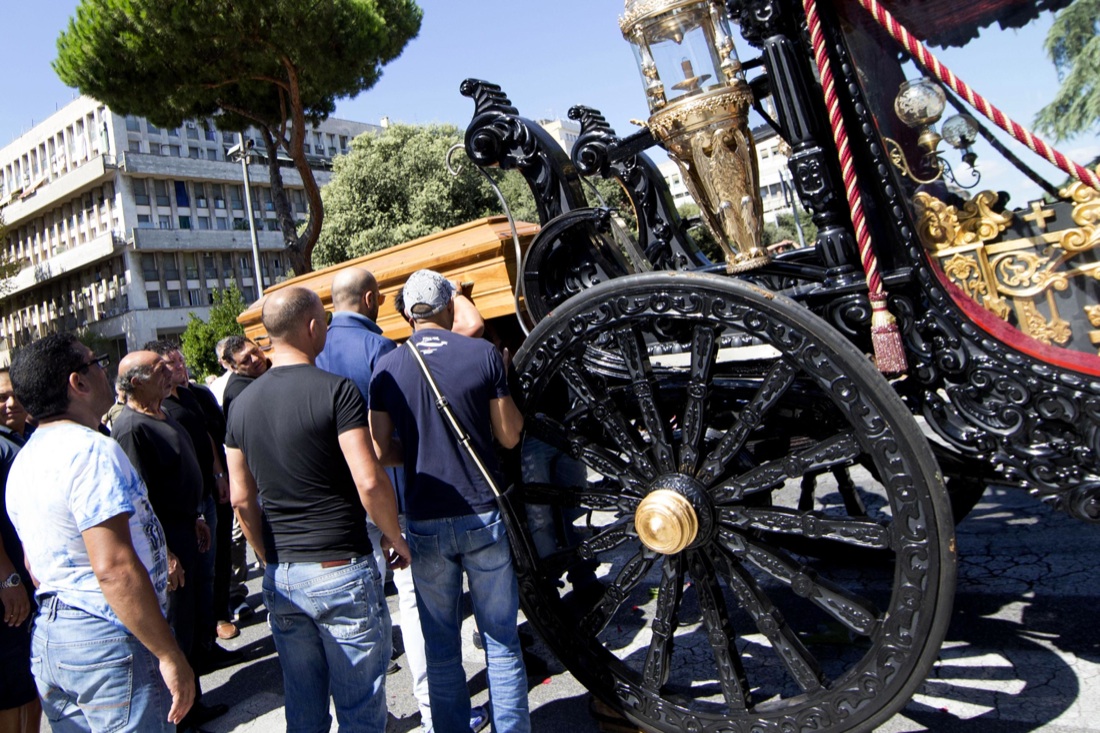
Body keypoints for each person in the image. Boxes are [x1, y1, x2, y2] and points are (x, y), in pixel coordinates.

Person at [227, 286, 411, 733]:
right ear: (312, 328)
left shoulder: (240, 405)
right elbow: (369, 479)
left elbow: (240, 498)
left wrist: (268, 558)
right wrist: (396, 536)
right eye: (323, 322)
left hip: (284, 573)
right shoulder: (337, 391)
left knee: (304, 708)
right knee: (360, 709)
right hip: (339, 565)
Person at [6, 334, 194, 731]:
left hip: (55, 636)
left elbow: (34, 562)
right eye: (97, 362)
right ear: (78, 382)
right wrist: (168, 653)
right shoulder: (90, 451)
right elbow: (114, 567)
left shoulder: (26, 459)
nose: (105, 371)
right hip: (107, 633)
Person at [370, 269, 530, 733]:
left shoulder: (388, 367)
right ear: (446, 306)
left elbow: (380, 449)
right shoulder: (482, 355)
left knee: (440, 648)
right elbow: (510, 433)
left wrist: (416, 452)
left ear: (406, 314)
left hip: (424, 518)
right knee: (500, 640)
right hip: (482, 510)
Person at [112, 351, 225, 731]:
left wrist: (195, 517)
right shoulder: (130, 427)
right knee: (175, 625)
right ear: (135, 382)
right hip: (165, 541)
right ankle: (177, 716)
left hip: (185, 527)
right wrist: (169, 553)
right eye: (157, 370)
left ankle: (195, 705)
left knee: (192, 621)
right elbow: (138, 498)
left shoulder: (163, 413)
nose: (167, 372)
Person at [0, 369, 40, 733]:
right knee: (11, 684)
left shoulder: (24, 437)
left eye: (15, 394)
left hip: (30, 583)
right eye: (1, 398)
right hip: (9, 590)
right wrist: (8, 579)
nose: (10, 403)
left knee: (30, 679)